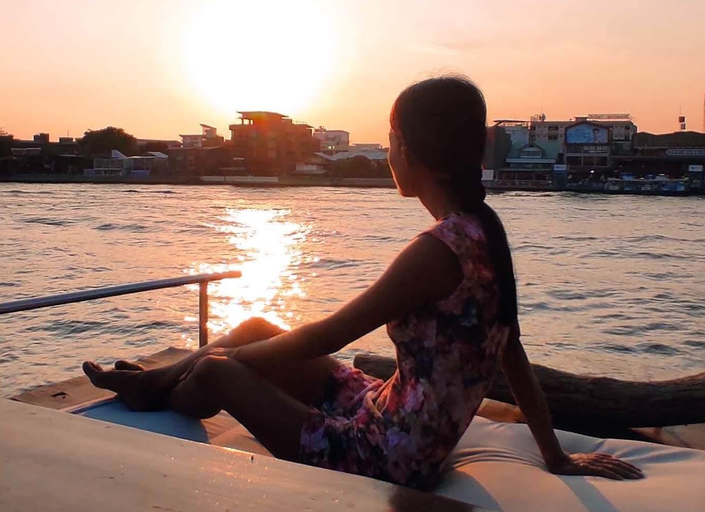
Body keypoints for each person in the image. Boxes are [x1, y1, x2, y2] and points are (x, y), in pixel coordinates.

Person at [83, 76, 643, 489]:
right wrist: (554, 454)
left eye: (393, 137)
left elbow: (329, 335)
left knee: (217, 370)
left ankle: (156, 389)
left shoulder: (438, 251)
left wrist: (239, 365)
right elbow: (512, 353)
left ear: (420, 153)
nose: (390, 149)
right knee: (252, 325)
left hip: (385, 455)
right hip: (383, 411)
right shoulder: (481, 231)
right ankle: (155, 384)